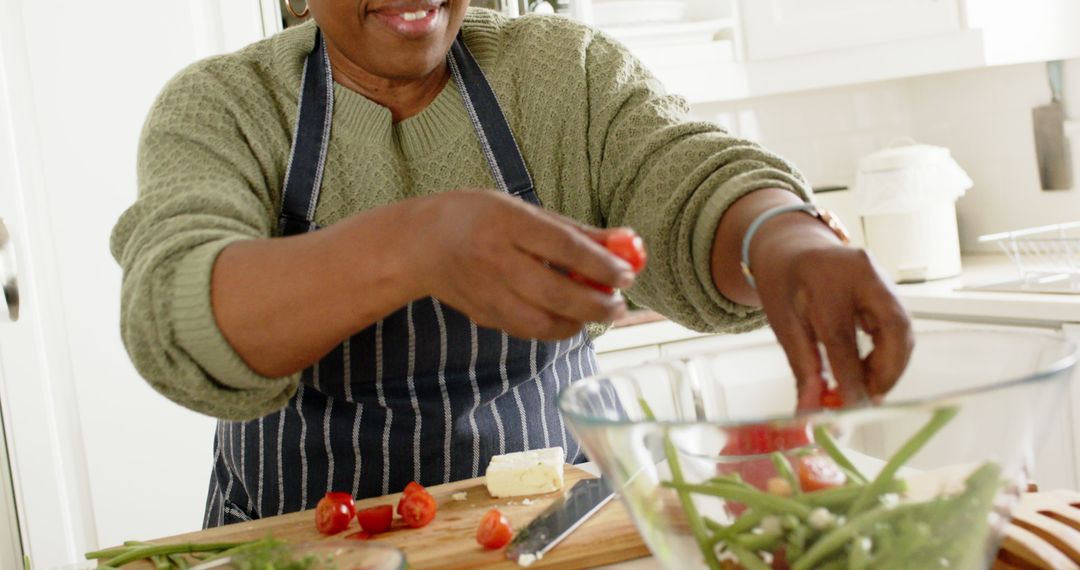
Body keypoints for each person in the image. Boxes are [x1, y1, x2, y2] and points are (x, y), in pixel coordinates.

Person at [111, 0, 913, 528]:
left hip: (553, 540)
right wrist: (418, 243)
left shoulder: (560, 74)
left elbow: (683, 173)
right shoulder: (225, 107)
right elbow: (177, 310)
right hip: (298, 544)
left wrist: (782, 236)